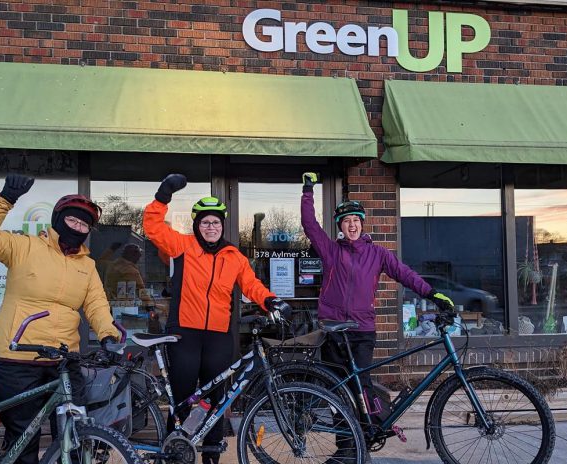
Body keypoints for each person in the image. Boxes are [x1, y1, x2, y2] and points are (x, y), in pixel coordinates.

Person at [0, 174, 120, 464]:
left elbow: (97, 304)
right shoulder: (24, 247)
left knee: (74, 434)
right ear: (58, 220)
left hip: (64, 359)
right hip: (19, 358)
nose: (78, 228)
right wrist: (5, 199)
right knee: (25, 436)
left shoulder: (87, 266)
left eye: (84, 224)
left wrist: (107, 334)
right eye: (73, 221)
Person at [143, 174, 291, 464]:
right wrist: (163, 195)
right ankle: (176, 450)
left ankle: (211, 452)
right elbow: (152, 227)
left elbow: (251, 285)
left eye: (215, 222)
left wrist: (271, 300)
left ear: (222, 226)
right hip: (184, 332)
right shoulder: (182, 247)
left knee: (216, 397)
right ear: (197, 225)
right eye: (205, 222)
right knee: (184, 395)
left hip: (219, 336)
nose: (210, 227)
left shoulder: (233, 256)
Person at [300, 172, 454, 423]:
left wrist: (432, 294)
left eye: (356, 220)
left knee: (361, 386)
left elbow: (405, 274)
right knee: (337, 390)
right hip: (334, 330)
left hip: (362, 330)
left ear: (362, 223)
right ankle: (347, 448)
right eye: (346, 221)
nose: (352, 225)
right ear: (340, 226)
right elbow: (310, 225)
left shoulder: (378, 254)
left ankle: (365, 436)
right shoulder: (330, 251)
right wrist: (308, 191)